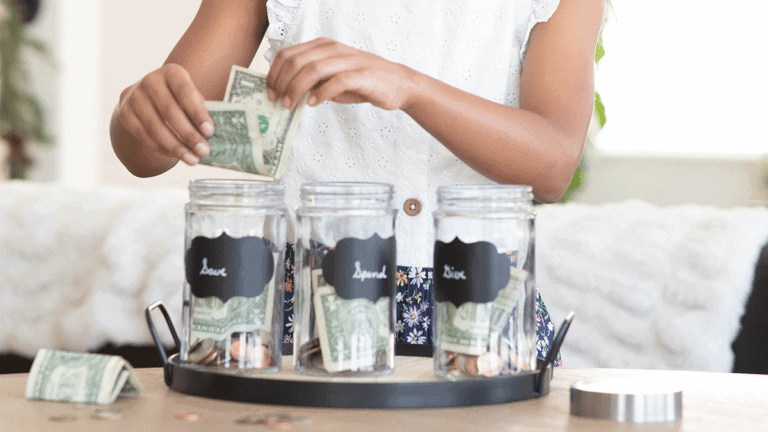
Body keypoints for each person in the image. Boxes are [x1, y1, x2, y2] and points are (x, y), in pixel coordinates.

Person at [110, 0, 605, 364]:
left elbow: (554, 163)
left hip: (480, 309)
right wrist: (139, 109)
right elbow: (147, 153)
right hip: (304, 311)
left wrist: (410, 88)